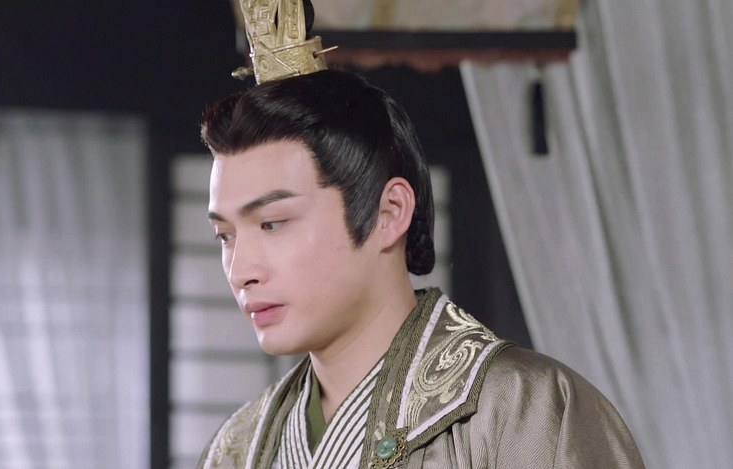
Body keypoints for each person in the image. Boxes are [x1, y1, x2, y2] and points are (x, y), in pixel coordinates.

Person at [195, 69, 644, 468]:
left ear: (389, 213)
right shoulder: (235, 449)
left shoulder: (526, 412)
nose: (240, 271)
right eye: (225, 236)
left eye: (272, 224)